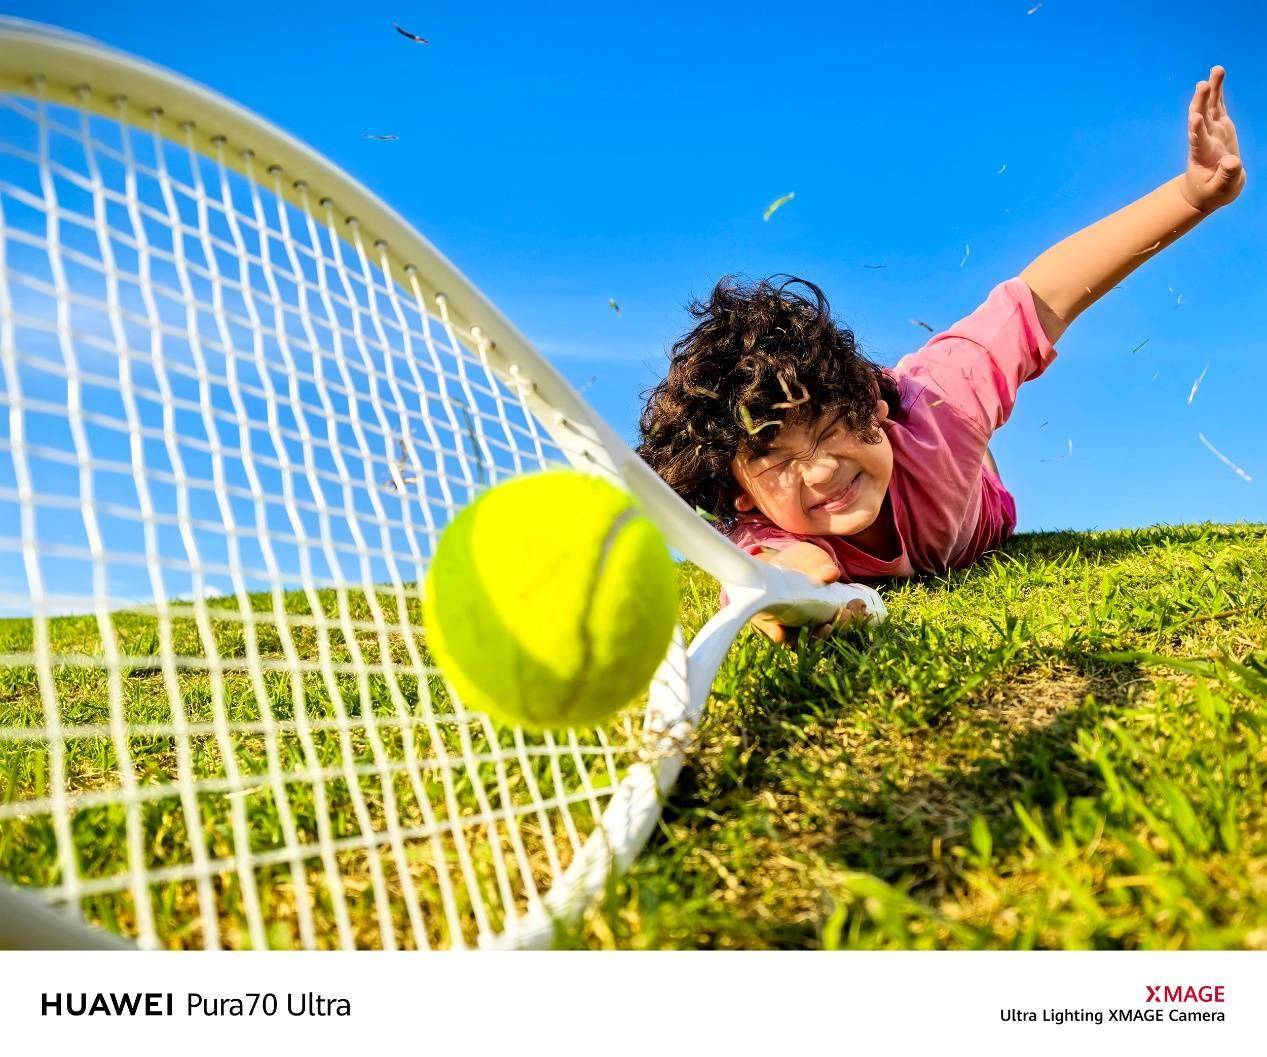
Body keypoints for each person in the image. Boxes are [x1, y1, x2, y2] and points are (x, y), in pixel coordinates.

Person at [637, 67, 1245, 648]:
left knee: (956, 399)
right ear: (740, 489)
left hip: (964, 473)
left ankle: (924, 424)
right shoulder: (762, 528)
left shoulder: (944, 399)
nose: (820, 472)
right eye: (776, 456)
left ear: (872, 409)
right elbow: (776, 566)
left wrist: (1192, 194)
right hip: (903, 474)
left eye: (828, 430)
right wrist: (784, 590)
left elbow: (1047, 292)